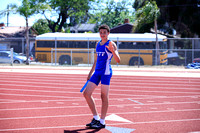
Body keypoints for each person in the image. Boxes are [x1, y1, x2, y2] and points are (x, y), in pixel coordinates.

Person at [83, 24, 121, 129]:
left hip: (106, 73)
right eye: (101, 32)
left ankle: (102, 121)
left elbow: (118, 60)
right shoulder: (98, 44)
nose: (102, 34)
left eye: (104, 32)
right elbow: (96, 60)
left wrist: (113, 51)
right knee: (86, 93)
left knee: (103, 96)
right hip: (97, 72)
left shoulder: (111, 44)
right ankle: (96, 117)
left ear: (108, 33)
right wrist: (90, 73)